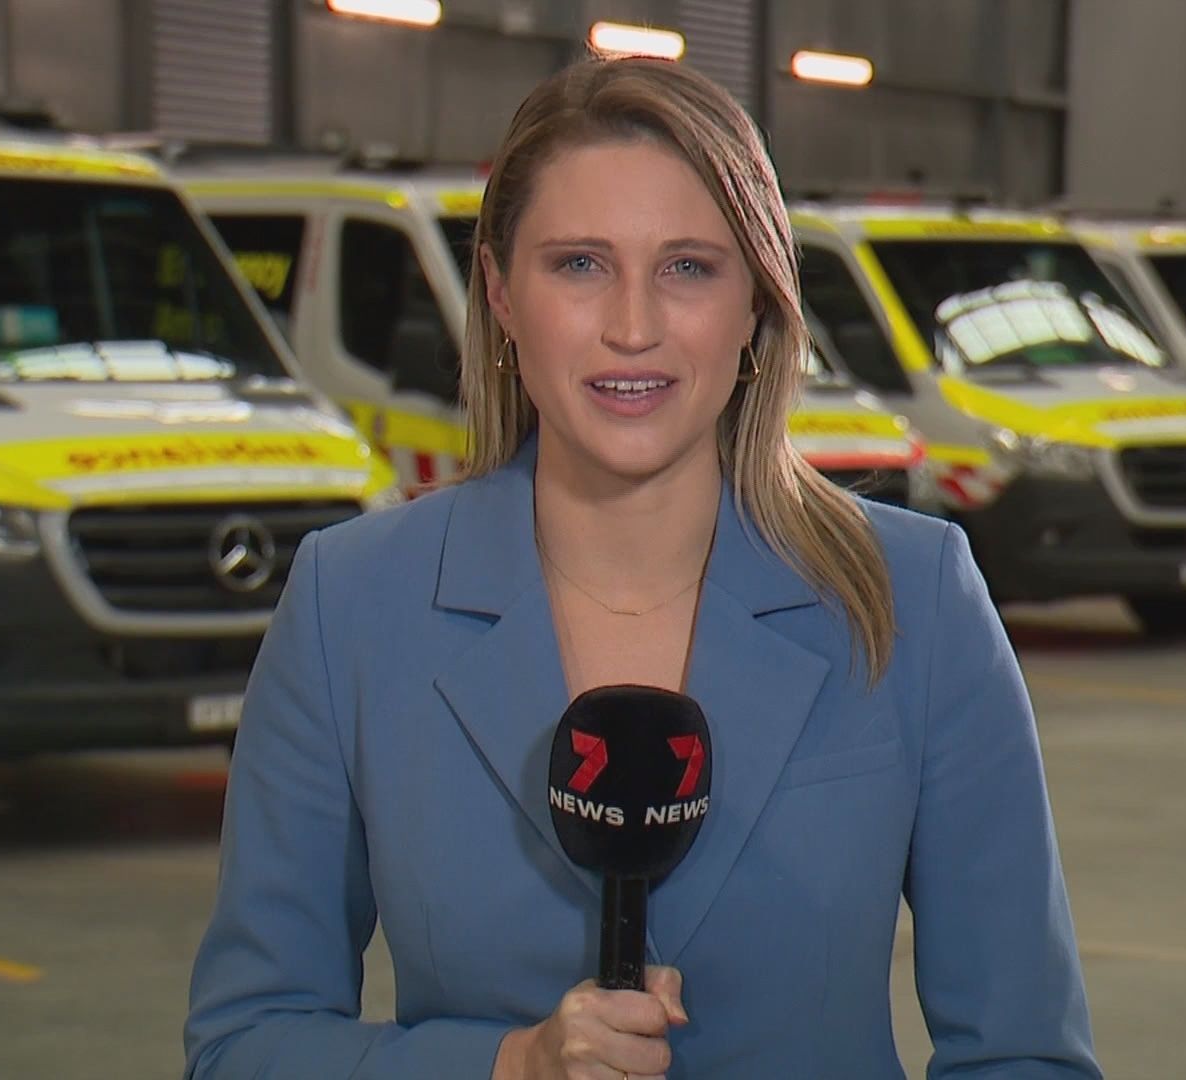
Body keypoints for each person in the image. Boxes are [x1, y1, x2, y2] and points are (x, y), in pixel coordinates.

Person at [184, 56, 1100, 1080]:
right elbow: (244, 1044)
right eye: (580, 264)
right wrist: (510, 1067)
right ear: (501, 292)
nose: (633, 326)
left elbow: (1028, 1056)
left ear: (756, 303)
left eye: (688, 268)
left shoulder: (912, 598)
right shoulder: (350, 605)